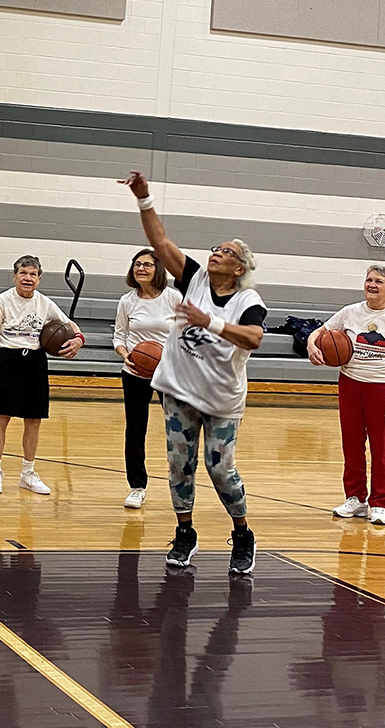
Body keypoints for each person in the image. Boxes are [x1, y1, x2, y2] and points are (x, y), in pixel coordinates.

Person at [119, 171, 267, 575]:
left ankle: (242, 534)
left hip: (221, 400)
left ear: (239, 268)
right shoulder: (196, 277)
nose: (216, 253)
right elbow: (160, 243)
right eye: (216, 248)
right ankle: (185, 532)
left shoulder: (248, 299)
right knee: (178, 466)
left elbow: (253, 338)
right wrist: (144, 198)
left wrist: (210, 323)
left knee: (221, 469)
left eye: (226, 252)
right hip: (180, 391)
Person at [308, 265, 385, 526]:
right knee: (352, 445)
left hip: (384, 387)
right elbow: (318, 332)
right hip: (350, 384)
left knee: (381, 450)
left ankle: (379, 503)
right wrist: (312, 345)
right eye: (369, 279)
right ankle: (355, 498)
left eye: (379, 281)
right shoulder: (349, 312)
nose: (372, 284)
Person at [0, 255, 83, 495]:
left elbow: (71, 325)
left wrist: (79, 340)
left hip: (35, 361)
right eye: (23, 273)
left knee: (34, 419)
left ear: (39, 278)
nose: (28, 278)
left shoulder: (45, 303)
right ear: (15, 276)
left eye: (33, 274)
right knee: (1, 416)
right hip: (7, 359)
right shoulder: (3, 301)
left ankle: (28, 473)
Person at [114, 250, 181, 509]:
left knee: (177, 429)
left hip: (169, 373)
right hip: (134, 372)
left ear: (158, 269)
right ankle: (137, 487)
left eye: (147, 265)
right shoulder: (127, 301)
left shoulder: (174, 298)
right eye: (137, 264)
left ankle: (182, 482)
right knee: (135, 430)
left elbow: (187, 334)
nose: (141, 268)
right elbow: (119, 336)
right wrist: (125, 353)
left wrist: (172, 358)